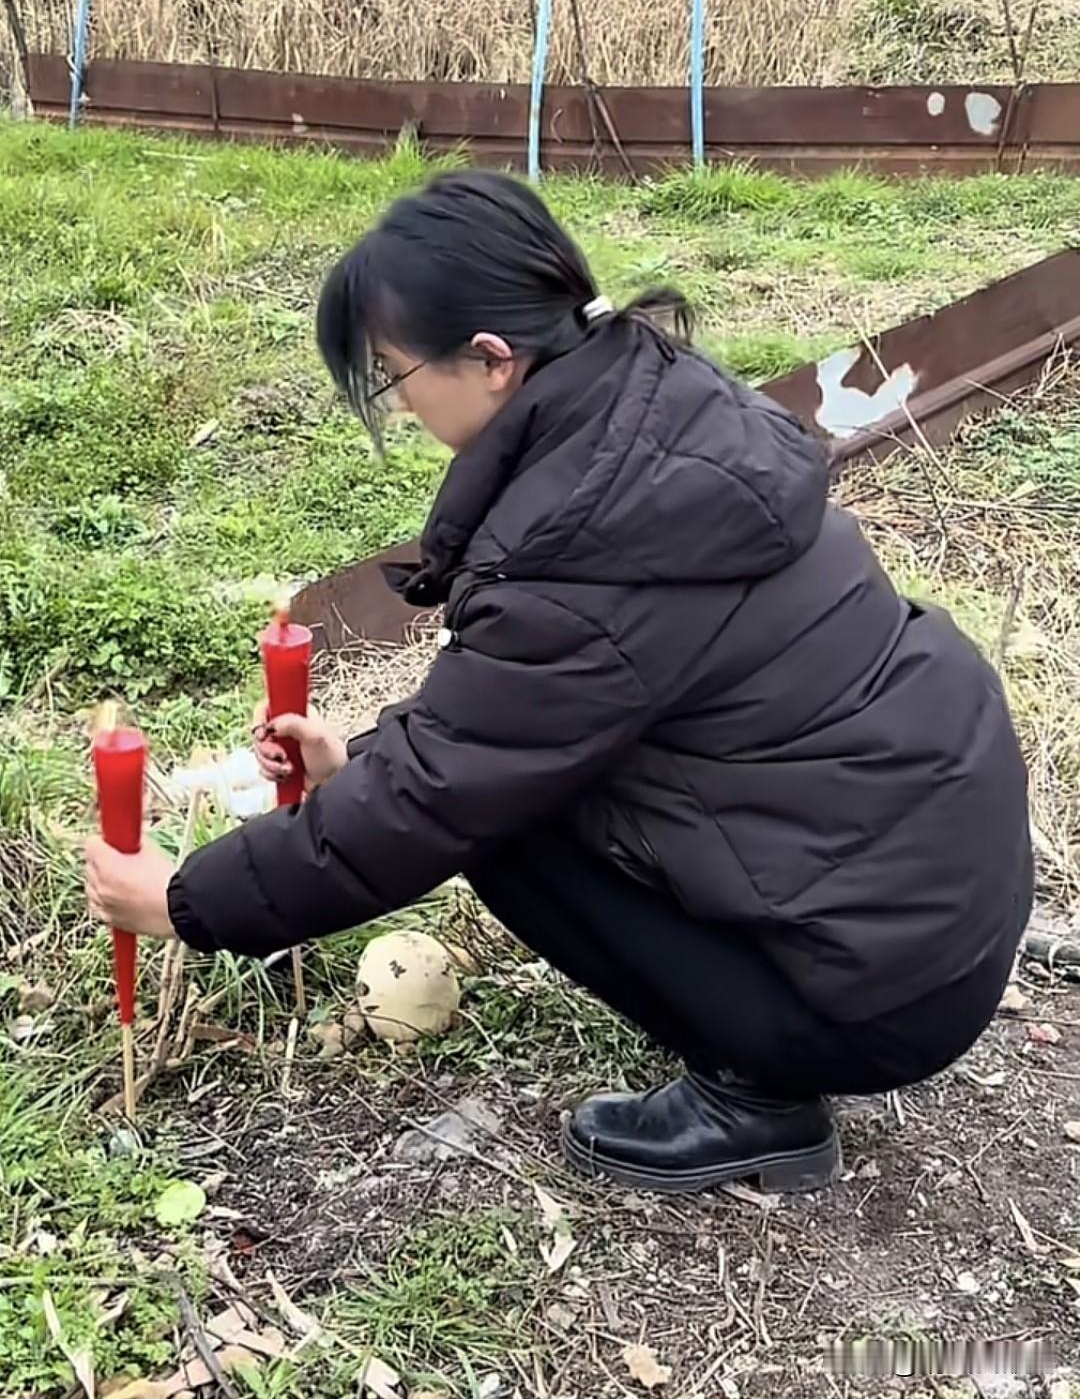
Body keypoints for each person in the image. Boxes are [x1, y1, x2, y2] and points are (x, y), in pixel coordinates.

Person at [85, 170, 1033, 1196]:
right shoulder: (656, 413)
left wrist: (181, 902)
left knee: (500, 831)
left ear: (491, 361)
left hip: (882, 987)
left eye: (396, 373)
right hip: (921, 899)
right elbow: (526, 719)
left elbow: (447, 790)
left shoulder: (588, 537)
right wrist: (359, 763)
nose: (398, 402)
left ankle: (762, 1099)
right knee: (503, 796)